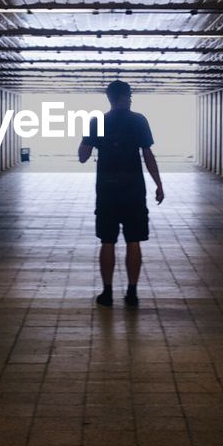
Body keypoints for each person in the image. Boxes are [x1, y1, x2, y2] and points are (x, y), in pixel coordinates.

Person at [78, 80, 164, 308]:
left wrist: (89, 139)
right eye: (130, 94)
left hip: (107, 189)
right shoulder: (138, 120)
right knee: (133, 240)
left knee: (107, 241)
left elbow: (83, 155)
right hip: (134, 189)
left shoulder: (98, 121)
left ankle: (107, 293)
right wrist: (159, 184)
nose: (131, 98)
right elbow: (148, 155)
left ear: (109, 98)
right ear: (124, 96)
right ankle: (132, 293)